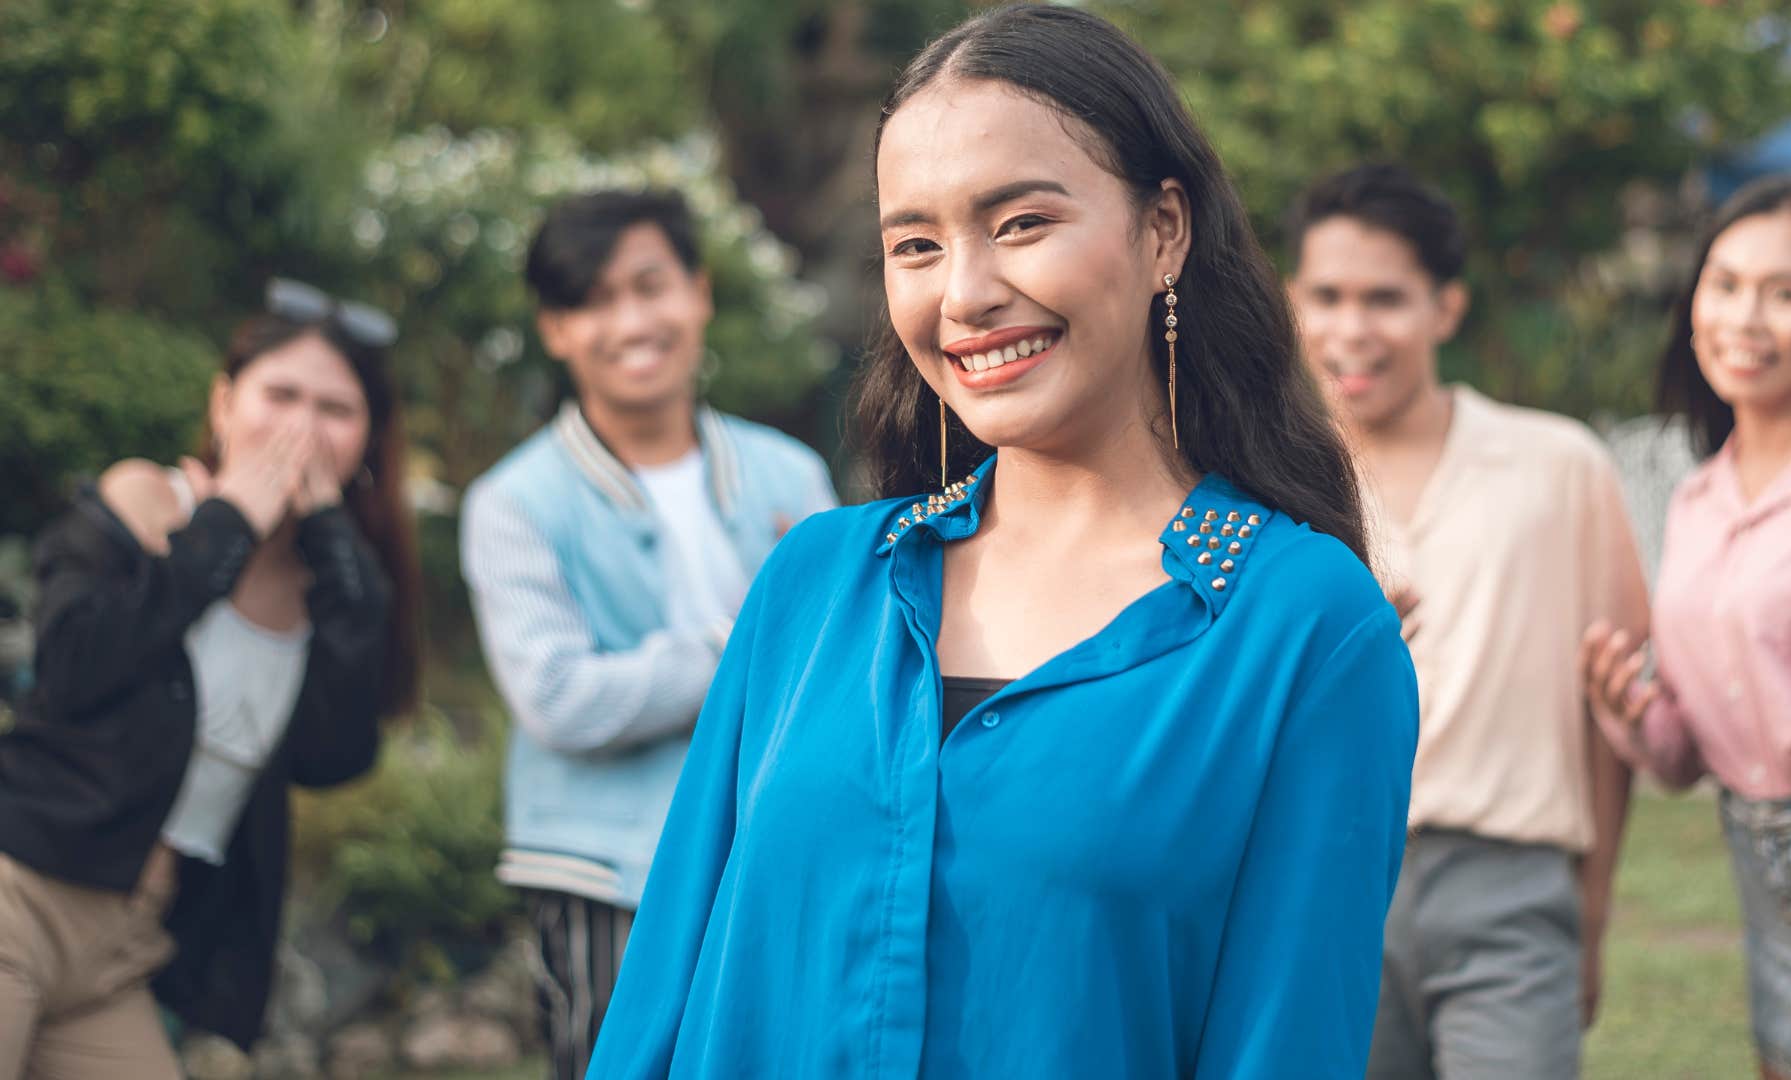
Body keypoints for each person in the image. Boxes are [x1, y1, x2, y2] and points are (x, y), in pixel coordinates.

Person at [586, 7, 1419, 1078]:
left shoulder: (1305, 627)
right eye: (916, 245)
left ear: (1164, 230)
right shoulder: (817, 582)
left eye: (1021, 223)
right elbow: (658, 1000)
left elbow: (1285, 1046)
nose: (966, 294)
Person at [459, 188, 838, 1080]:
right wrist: (743, 646)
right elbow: (559, 699)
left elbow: (843, 652)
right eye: (592, 300)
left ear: (699, 293)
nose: (630, 320)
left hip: (776, 849)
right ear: (556, 329)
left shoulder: (789, 471)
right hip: (607, 875)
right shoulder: (514, 503)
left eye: (650, 285)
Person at [0, 279, 418, 1077]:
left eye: (335, 410)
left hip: (125, 949)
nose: (301, 426)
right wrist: (225, 527)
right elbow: (69, 669)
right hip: (18, 895)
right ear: (224, 403)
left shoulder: (331, 584)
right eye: (281, 394)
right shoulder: (149, 498)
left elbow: (335, 755)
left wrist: (329, 540)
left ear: (368, 438)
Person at [1286, 163, 1649, 1079]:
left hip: (1511, 895)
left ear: (1447, 308)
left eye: (1386, 298)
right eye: (1327, 296)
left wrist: (1592, 912)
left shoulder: (1557, 468)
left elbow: (1608, 714)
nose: (1352, 329)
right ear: (1292, 301)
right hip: (1322, 885)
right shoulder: (1267, 492)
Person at [1583, 175, 1791, 1080]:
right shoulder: (1694, 503)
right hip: (1766, 890)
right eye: (1724, 284)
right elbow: (1689, 752)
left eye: (1786, 292)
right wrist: (1633, 713)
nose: (1745, 316)